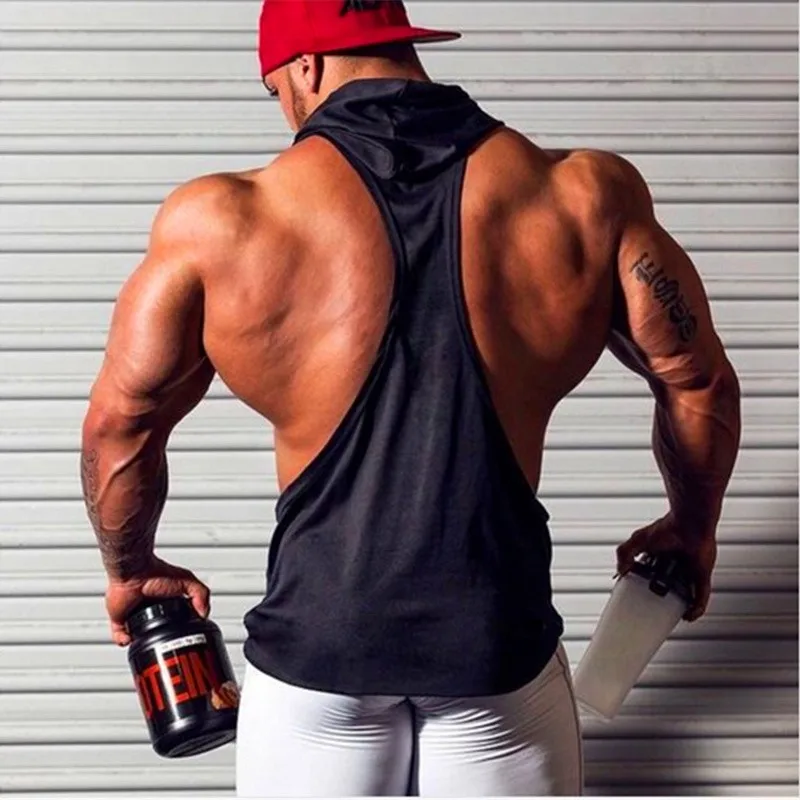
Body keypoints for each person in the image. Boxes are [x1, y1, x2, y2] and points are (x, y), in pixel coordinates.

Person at [79, 0, 742, 795]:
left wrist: (131, 569)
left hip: (318, 653)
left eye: (278, 92)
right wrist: (690, 530)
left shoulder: (221, 220)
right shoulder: (585, 196)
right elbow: (697, 379)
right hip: (496, 646)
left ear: (306, 66)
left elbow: (122, 424)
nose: (287, 113)